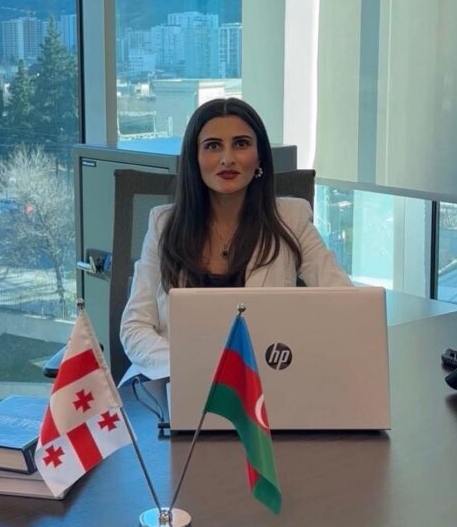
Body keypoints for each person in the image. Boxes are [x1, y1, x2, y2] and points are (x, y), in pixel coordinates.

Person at [120, 97, 352, 380]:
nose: (227, 158)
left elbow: (345, 303)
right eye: (213, 146)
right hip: (179, 380)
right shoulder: (163, 224)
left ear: (259, 157)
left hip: (266, 383)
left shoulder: (292, 219)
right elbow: (135, 327)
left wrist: (301, 357)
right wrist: (189, 371)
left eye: (241, 144)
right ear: (195, 158)